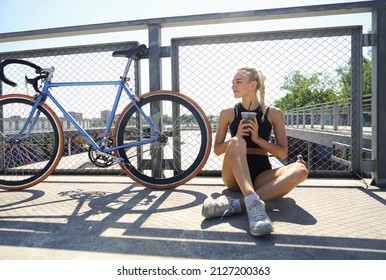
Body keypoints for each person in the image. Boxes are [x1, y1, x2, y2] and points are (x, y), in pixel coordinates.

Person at [201, 67, 308, 236]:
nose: (233, 86)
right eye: (232, 82)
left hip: (261, 174)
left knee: (301, 170)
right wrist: (236, 136)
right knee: (237, 142)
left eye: (238, 82)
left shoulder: (273, 113)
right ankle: (252, 204)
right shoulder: (228, 113)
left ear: (253, 85)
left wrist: (258, 139)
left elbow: (282, 153)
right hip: (233, 175)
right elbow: (217, 150)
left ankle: (240, 204)